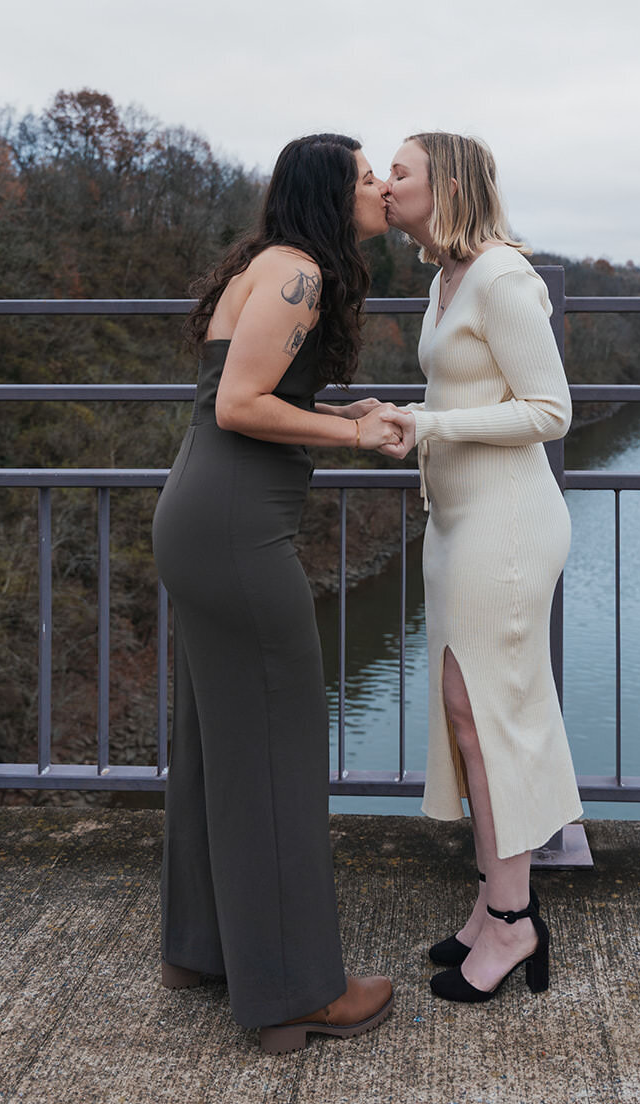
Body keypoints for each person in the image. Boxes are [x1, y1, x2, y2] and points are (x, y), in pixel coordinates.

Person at [153, 133, 400, 1052]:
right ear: (330, 193)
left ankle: (203, 950)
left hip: (206, 516)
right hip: (234, 529)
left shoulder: (271, 264)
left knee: (219, 746)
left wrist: (345, 410)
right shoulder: (299, 272)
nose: (378, 186)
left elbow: (254, 392)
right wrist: (359, 440)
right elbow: (240, 406)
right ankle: (296, 992)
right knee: (277, 750)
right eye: (366, 174)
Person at [381, 131, 581, 1003]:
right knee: (472, 716)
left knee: (486, 717)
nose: (384, 185)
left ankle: (511, 923)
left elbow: (549, 410)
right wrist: (406, 417)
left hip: (505, 524)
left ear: (447, 185)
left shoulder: (501, 276)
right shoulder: (444, 278)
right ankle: (493, 904)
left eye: (400, 173)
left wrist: (430, 427)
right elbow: (460, 398)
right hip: (458, 520)